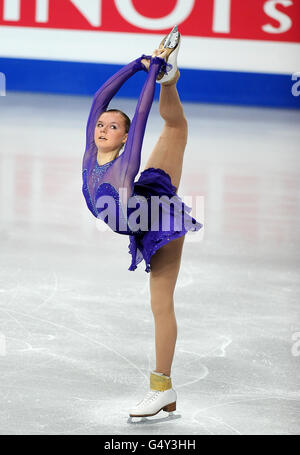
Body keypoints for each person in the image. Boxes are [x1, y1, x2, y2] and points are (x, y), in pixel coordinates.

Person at [82, 26, 203, 418]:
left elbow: (142, 112)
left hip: (157, 219)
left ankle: (161, 387)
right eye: (101, 125)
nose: (103, 129)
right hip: (145, 199)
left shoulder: (125, 163)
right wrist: (137, 64)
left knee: (160, 303)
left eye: (113, 127)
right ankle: (172, 79)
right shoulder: (89, 156)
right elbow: (101, 98)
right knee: (177, 128)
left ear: (124, 137)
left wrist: (149, 76)